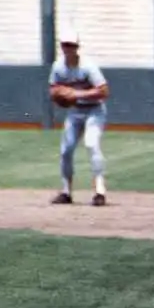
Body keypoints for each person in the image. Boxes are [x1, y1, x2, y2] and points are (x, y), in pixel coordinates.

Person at [48, 30, 110, 207]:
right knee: (66, 150)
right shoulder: (58, 66)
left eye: (72, 45)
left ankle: (100, 192)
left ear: (77, 47)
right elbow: (53, 89)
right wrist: (60, 95)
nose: (68, 48)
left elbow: (104, 91)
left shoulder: (87, 66)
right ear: (61, 46)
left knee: (91, 144)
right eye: (65, 45)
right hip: (75, 111)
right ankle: (66, 192)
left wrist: (76, 93)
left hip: (94, 111)